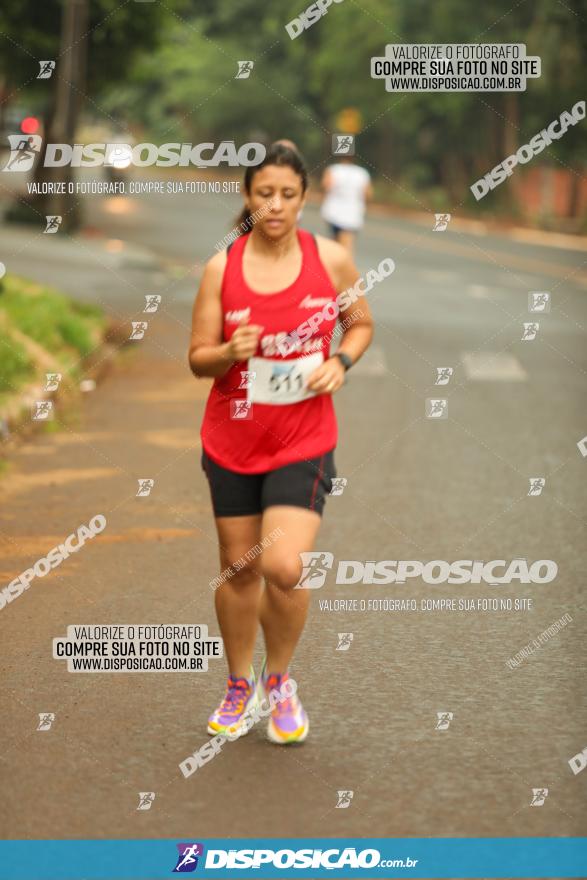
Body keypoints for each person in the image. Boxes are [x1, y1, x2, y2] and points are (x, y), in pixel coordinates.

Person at [188, 142, 373, 744]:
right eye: (264, 193)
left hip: (304, 435)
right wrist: (227, 352)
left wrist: (341, 361)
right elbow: (198, 359)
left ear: (305, 198)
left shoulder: (332, 261)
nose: (275, 205)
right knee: (239, 569)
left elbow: (361, 322)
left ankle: (281, 680)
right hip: (233, 436)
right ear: (248, 196)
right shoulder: (223, 267)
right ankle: (238, 683)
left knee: (284, 566)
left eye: (288, 195)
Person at [320, 154, 373, 255]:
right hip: (352, 215)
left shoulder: (333, 169)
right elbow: (368, 194)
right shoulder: (362, 173)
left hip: (333, 213)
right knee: (346, 249)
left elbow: (326, 186)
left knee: (334, 245)